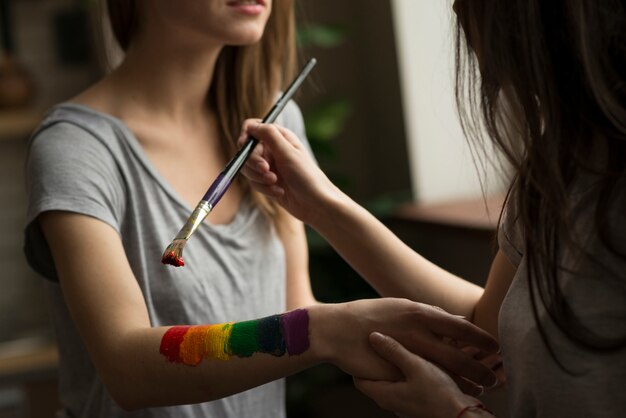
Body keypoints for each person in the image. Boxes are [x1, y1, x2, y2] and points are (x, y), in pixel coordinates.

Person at [22, 0, 500, 417]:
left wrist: (384, 345)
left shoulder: (274, 122)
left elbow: (295, 310)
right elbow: (127, 369)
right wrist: (328, 331)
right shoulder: (78, 147)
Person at [238, 0, 626, 417]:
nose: (457, 8)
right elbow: (486, 331)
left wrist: (453, 412)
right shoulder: (561, 162)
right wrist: (319, 205)